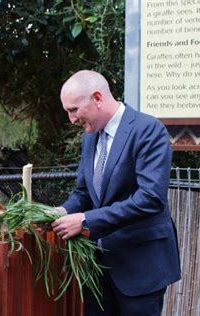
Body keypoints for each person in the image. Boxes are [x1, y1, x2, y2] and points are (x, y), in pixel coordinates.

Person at [51, 70, 181, 316]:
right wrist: (64, 210)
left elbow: (150, 199)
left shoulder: (148, 130)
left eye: (74, 109)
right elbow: (84, 193)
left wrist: (86, 220)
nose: (71, 119)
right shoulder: (89, 139)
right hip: (98, 269)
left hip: (140, 267)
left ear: (98, 97)